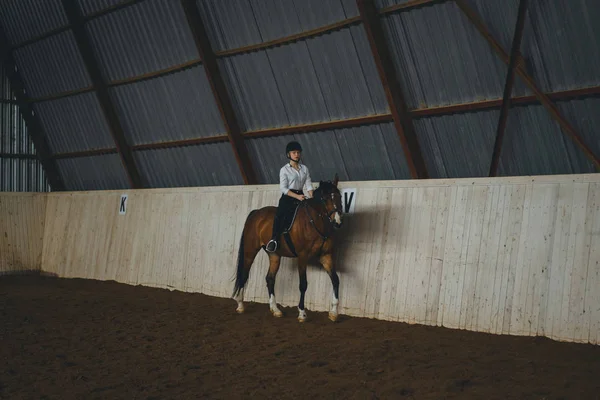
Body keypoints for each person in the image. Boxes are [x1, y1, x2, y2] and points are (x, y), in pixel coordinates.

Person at [265, 141, 314, 253]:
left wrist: (312, 198)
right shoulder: (284, 170)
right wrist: (297, 196)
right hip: (289, 197)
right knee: (280, 216)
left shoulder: (304, 169)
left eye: (298, 152)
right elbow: (283, 188)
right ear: (289, 155)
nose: (297, 155)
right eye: (294, 152)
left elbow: (309, 185)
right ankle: (274, 240)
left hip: (301, 196)